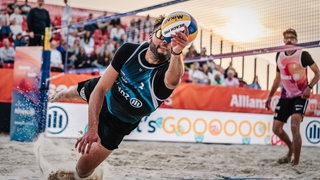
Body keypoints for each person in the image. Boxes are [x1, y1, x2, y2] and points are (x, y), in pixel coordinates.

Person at [50, 15, 189, 178]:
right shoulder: (130, 50)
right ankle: (56, 96)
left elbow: (174, 79)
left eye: (170, 38)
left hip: (118, 124)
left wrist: (177, 51)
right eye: (161, 35)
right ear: (151, 36)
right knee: (69, 92)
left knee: (82, 171)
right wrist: (92, 129)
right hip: (105, 96)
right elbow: (101, 89)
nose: (165, 41)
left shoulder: (167, 72)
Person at [265, 28, 320, 166]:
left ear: (296, 40)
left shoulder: (303, 55)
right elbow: (277, 79)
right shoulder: (279, 55)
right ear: (284, 40)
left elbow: (318, 73)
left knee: (294, 125)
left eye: (292, 37)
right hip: (285, 96)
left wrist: (309, 87)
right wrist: (270, 96)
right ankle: (290, 149)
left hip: (300, 95)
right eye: (286, 37)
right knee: (276, 129)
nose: (289, 39)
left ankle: (295, 163)